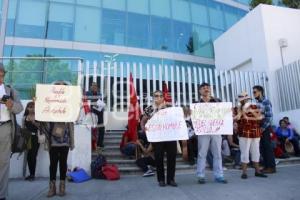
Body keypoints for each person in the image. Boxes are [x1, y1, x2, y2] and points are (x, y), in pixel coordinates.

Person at [38, 81, 75, 198]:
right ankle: (52, 186)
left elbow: (75, 118)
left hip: (65, 139)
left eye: (62, 87)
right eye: (58, 87)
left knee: (63, 163)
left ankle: (62, 186)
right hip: (52, 139)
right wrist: (38, 105)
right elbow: (43, 120)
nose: (60, 88)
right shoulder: (49, 102)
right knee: (53, 163)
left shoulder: (70, 103)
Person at [140, 90, 178, 187]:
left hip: (170, 136)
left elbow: (177, 118)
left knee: (172, 157)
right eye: (156, 96)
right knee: (159, 158)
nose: (159, 97)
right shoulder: (149, 108)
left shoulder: (169, 106)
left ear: (163, 97)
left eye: (161, 96)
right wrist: (145, 129)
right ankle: (161, 180)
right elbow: (143, 121)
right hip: (157, 137)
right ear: (153, 97)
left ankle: (171, 179)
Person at [195, 82, 227, 184]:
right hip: (203, 131)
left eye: (208, 87)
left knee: (217, 153)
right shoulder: (196, 104)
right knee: (202, 153)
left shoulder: (217, 101)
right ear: (200, 91)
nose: (206, 89)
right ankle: (200, 175)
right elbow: (193, 118)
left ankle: (219, 175)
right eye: (203, 88)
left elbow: (224, 114)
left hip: (216, 130)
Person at [0, 63, 23, 200]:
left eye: (2, 76)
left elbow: (20, 108)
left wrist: (11, 105)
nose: (1, 79)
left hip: (5, 128)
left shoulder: (10, 91)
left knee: (3, 163)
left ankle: (2, 195)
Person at [234, 92, 267, 179]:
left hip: (255, 132)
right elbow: (236, 119)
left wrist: (251, 111)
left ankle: (257, 171)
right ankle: (244, 173)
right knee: (244, 153)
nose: (244, 100)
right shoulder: (236, 108)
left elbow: (260, 118)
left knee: (256, 152)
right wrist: (241, 111)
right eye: (242, 99)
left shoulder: (254, 107)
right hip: (244, 133)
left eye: (246, 99)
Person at [253, 85, 276, 174]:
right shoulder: (257, 103)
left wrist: (262, 128)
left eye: (255, 92)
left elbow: (269, 117)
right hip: (259, 127)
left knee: (267, 147)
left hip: (265, 127)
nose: (254, 94)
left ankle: (271, 167)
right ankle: (266, 166)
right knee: (262, 147)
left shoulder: (266, 101)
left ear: (260, 92)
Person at [86, 82, 106, 151]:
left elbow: (100, 102)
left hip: (99, 112)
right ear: (90, 87)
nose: (94, 87)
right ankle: (91, 143)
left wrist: (101, 105)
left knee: (101, 127)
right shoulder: (87, 93)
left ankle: (100, 143)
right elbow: (87, 102)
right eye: (93, 86)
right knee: (91, 128)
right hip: (92, 112)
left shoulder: (99, 93)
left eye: (95, 86)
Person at [23, 101, 39, 181]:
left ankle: (33, 174)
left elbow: (40, 127)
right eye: (30, 107)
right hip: (27, 138)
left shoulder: (38, 116)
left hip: (35, 138)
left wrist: (33, 121)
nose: (31, 108)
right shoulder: (25, 116)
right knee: (29, 156)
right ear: (27, 108)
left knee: (33, 156)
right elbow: (23, 127)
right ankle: (30, 174)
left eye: (33, 107)